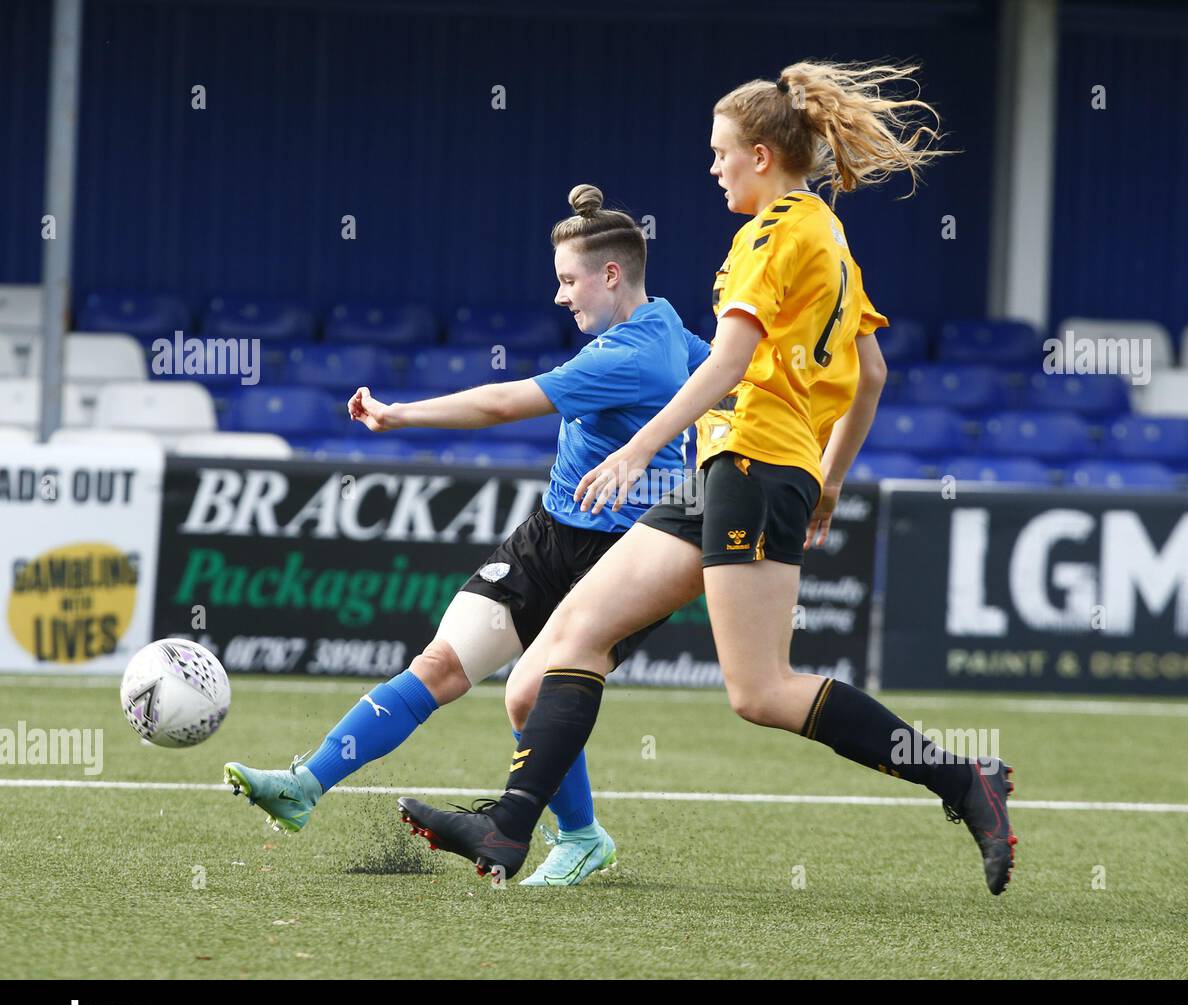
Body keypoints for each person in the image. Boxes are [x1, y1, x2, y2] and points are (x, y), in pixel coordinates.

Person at [395, 60, 1018, 895]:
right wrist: (830, 480)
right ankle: (509, 830)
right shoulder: (826, 233)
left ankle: (961, 780)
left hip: (753, 464)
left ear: (763, 155)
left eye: (722, 152)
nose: (714, 166)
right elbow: (869, 374)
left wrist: (638, 447)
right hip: (746, 467)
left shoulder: (770, 234)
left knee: (760, 690)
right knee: (565, 643)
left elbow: (730, 359)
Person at [223, 183, 712, 886]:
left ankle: (580, 837)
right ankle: (304, 785)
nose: (560, 296)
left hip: (624, 558)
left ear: (611, 275)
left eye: (569, 280)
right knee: (440, 666)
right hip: (550, 535)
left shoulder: (629, 356)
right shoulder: (665, 323)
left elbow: (500, 402)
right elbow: (725, 377)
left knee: (535, 692)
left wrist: (399, 416)